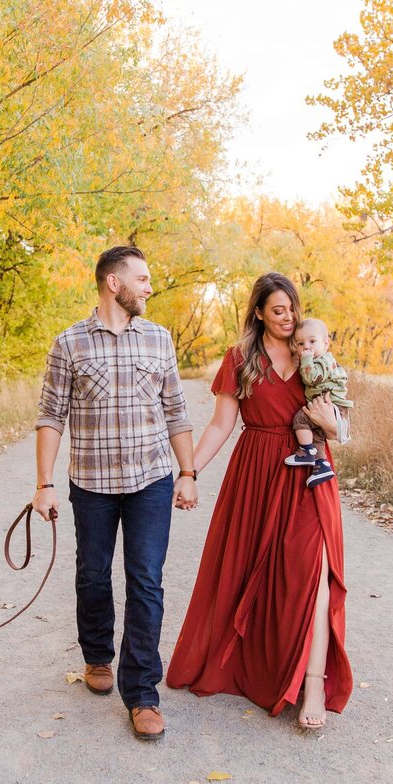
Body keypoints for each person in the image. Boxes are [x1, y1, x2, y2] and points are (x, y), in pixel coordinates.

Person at [166, 272, 353, 731]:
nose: (289, 318)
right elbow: (219, 426)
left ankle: (311, 684)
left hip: (310, 472)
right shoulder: (241, 359)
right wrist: (189, 473)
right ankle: (254, 668)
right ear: (259, 313)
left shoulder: (313, 351)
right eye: (278, 310)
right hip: (256, 473)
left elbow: (342, 428)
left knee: (316, 576)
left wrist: (329, 426)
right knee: (246, 571)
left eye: (292, 308)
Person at [32, 245, 197, 741]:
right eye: (142, 279)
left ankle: (143, 692)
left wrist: (188, 472)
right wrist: (44, 484)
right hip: (92, 484)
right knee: (93, 575)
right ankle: (97, 654)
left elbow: (176, 411)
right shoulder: (69, 344)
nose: (150, 287)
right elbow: (50, 417)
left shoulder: (160, 340)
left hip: (150, 480)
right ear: (113, 283)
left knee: (146, 581)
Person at [284, 317, 353, 488]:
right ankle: (322, 465)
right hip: (328, 406)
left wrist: (305, 360)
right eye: (300, 344)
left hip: (332, 406)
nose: (306, 347)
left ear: (326, 344)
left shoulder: (324, 361)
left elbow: (311, 378)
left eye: (312, 341)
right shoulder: (318, 360)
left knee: (301, 418)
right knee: (317, 435)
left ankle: (307, 451)